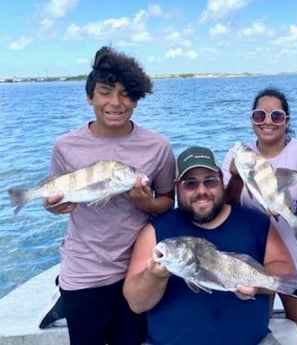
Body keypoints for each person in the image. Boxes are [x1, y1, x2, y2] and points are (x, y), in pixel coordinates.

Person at [42, 46, 176, 344]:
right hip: (84, 270)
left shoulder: (158, 147)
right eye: (105, 92)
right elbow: (54, 196)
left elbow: (167, 201)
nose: (115, 102)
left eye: (126, 94)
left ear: (137, 99)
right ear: (90, 97)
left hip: (138, 270)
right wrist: (52, 207)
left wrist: (146, 203)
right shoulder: (65, 146)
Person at [123, 146, 297, 345]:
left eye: (210, 181)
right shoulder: (156, 232)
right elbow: (136, 303)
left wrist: (255, 284)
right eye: (190, 184)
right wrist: (154, 276)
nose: (202, 191)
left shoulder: (255, 222)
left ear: (221, 181)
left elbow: (287, 277)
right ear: (176, 186)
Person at [222, 88, 297, 345]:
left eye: (276, 116)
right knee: (258, 328)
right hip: (255, 259)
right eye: (260, 115)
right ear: (251, 120)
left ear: (287, 121)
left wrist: (291, 208)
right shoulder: (236, 156)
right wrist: (236, 177)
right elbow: (227, 206)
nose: (267, 121)